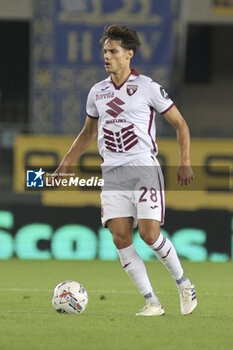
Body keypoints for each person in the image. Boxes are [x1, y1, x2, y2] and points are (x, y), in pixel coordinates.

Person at [54, 24, 197, 316]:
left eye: (113, 51)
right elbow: (87, 133)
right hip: (112, 174)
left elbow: (181, 125)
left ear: (129, 54)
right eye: (105, 51)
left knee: (149, 234)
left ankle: (183, 283)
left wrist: (185, 161)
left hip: (143, 167)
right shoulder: (98, 92)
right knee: (120, 237)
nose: (107, 56)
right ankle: (152, 302)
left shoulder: (148, 87)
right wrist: (65, 163)